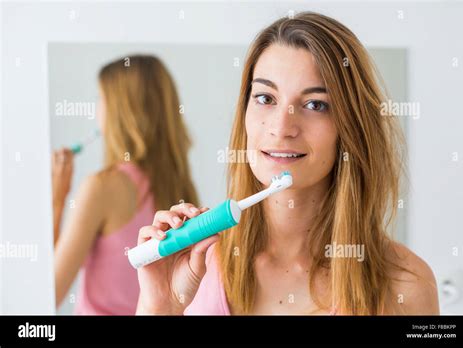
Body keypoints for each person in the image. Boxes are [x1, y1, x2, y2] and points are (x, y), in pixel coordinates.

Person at [135, 13, 439, 315]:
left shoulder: (405, 286)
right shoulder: (198, 266)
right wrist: (161, 305)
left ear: (351, 127)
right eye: (266, 98)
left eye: (315, 104)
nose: (281, 127)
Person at [52, 55, 199, 314]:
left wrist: (56, 200)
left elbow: (49, 292)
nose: (97, 111)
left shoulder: (102, 188)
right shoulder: (181, 188)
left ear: (120, 110)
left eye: (101, 99)